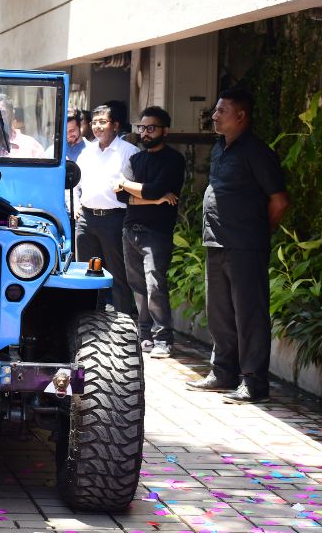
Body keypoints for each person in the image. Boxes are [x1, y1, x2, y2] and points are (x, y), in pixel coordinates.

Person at [187, 89, 289, 403]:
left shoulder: (257, 152)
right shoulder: (220, 148)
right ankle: (223, 373)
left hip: (246, 246)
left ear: (241, 116)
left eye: (221, 111)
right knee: (219, 314)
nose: (214, 116)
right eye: (215, 110)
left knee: (249, 315)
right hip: (216, 242)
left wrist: (257, 233)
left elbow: (279, 201)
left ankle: (254, 383)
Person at [114, 106, 185, 357]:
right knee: (137, 286)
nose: (145, 132)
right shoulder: (136, 159)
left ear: (165, 131)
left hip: (157, 232)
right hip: (129, 229)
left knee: (155, 285)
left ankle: (163, 339)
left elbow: (153, 188)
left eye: (151, 128)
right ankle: (144, 335)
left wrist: (126, 184)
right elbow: (121, 196)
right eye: (142, 127)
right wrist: (154, 199)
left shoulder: (174, 160)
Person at [75, 103, 139, 314]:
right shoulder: (86, 152)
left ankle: (123, 322)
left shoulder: (129, 152)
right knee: (88, 274)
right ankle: (89, 321)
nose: (97, 127)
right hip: (86, 220)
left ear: (115, 125)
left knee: (118, 276)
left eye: (102, 122)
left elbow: (136, 188)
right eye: (94, 122)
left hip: (115, 219)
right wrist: (76, 204)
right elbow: (76, 184)